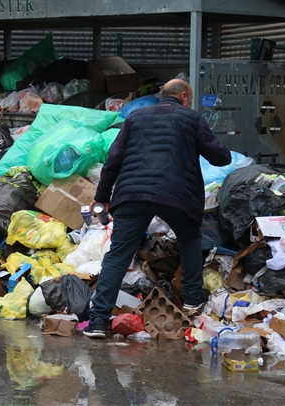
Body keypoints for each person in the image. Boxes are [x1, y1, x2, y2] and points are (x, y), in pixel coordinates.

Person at [84, 79, 232, 339]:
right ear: (184, 96)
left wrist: (102, 197)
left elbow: (113, 160)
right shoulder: (192, 119)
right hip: (177, 195)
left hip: (132, 193)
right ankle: (192, 300)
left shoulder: (135, 118)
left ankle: (97, 321)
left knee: (118, 254)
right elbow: (221, 158)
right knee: (189, 238)